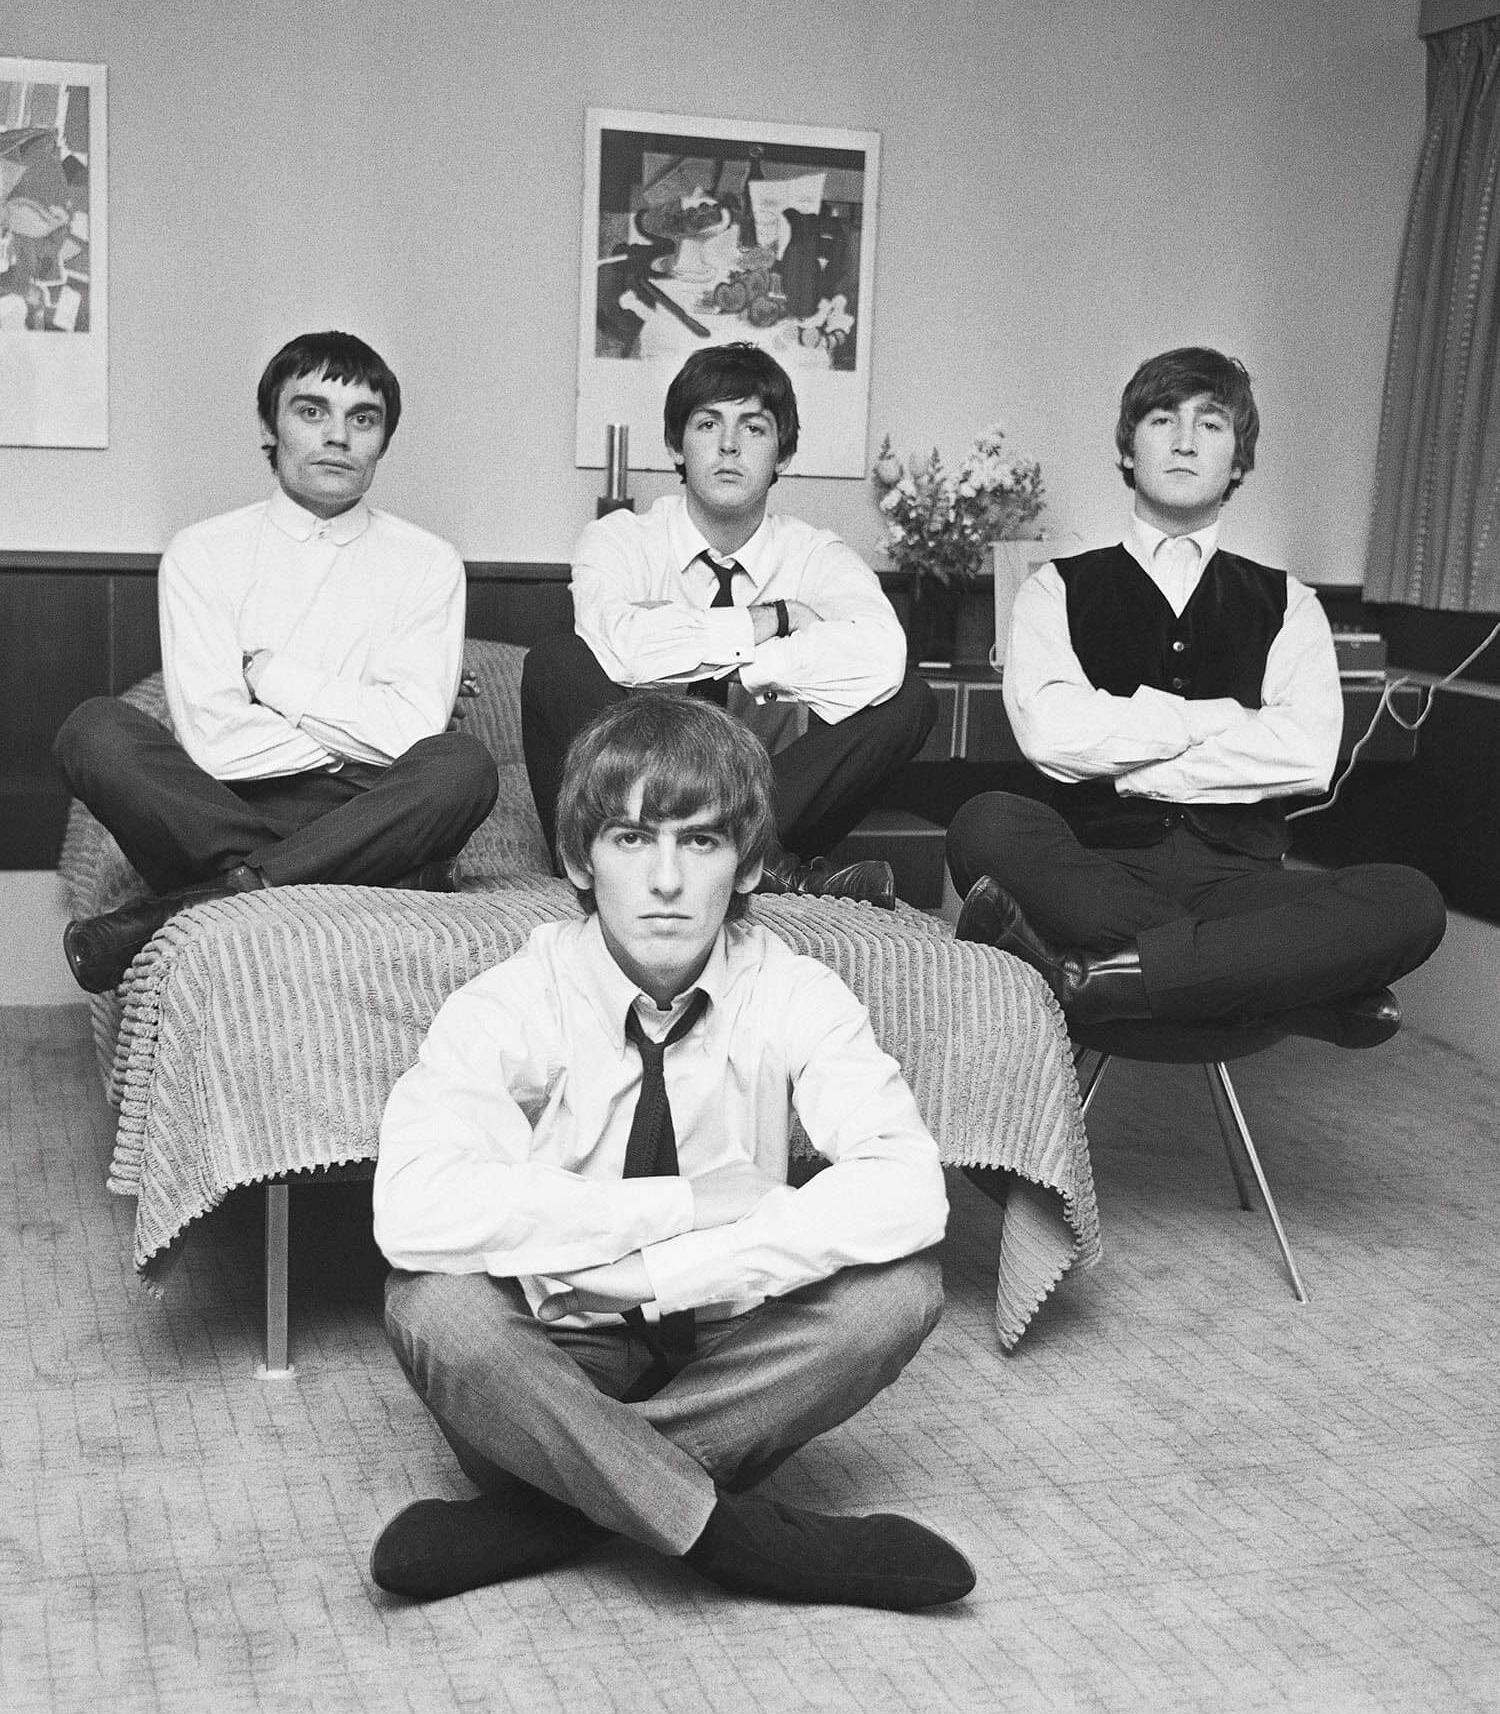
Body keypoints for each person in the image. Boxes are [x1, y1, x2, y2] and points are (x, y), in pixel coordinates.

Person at [369, 692, 973, 1610]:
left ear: (750, 863)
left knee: (898, 1293)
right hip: (559, 1351)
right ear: (581, 858)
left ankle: (554, 1510)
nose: (665, 880)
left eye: (700, 841)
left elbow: (909, 1190)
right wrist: (682, 1207)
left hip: (732, 1346)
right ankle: (734, 1536)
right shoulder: (512, 999)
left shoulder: (796, 990)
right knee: (434, 1306)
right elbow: (412, 1207)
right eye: (630, 839)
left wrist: (657, 1275)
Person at [947, 346, 1445, 1037]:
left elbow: (1305, 755)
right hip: (1097, 873)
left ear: (1238, 461)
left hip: (1242, 883)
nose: (1184, 441)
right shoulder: (1053, 588)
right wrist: (1221, 719)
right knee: (985, 823)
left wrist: (1125, 760)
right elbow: (1054, 738)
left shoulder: (1290, 602)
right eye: (1162, 420)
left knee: (1409, 900)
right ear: (1129, 449)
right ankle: (1285, 986)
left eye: (1210, 425)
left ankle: (1099, 975)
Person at [54, 330, 500, 993]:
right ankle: (348, 875)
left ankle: (207, 898)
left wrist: (267, 675)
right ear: (271, 425)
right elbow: (214, 741)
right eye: (312, 411)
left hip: (372, 806)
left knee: (463, 765)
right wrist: (357, 736)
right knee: (92, 731)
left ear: (383, 441)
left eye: (363, 419)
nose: (338, 437)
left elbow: (411, 737)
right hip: (226, 808)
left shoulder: (429, 561)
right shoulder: (202, 552)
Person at [521, 342, 937, 908]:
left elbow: (881, 655)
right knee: (555, 662)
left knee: (907, 699)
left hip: (768, 808)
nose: (729, 445)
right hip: (624, 819)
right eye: (708, 423)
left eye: (754, 428)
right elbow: (617, 650)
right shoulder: (619, 539)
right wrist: (775, 621)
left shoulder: (815, 554)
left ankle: (746, 850)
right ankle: (756, 864)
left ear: (783, 454)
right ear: (677, 444)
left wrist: (731, 662)